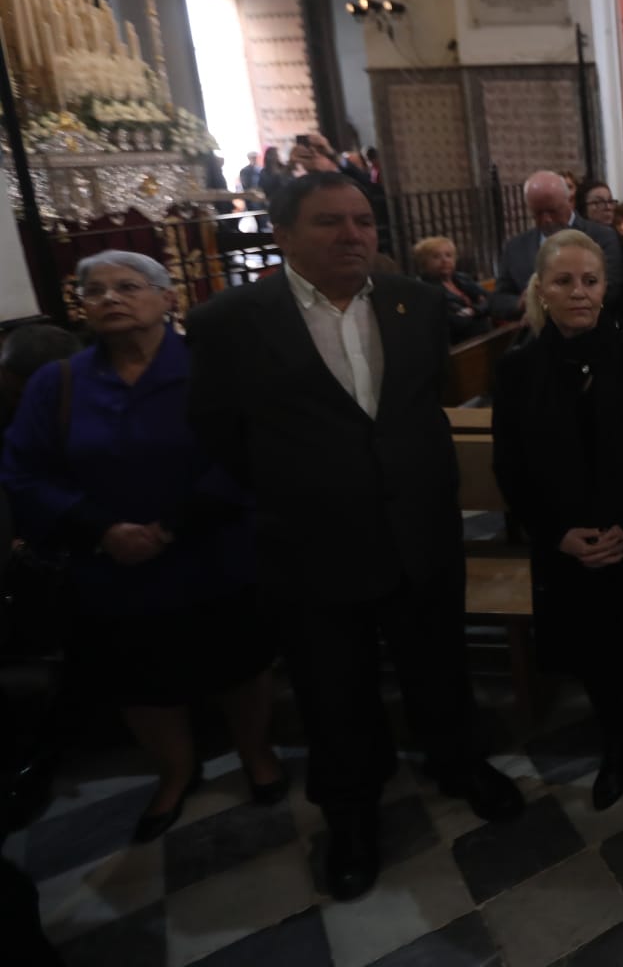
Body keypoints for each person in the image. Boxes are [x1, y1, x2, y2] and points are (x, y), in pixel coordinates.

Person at [186, 174, 523, 901]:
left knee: (438, 663)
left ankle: (459, 763)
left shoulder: (418, 303)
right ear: (282, 233)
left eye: (364, 221)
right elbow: (217, 432)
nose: (352, 236)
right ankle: (352, 816)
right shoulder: (230, 321)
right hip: (311, 544)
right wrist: (308, 487)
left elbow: (419, 404)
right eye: (329, 222)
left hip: (418, 530)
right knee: (333, 691)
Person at [1, 252, 282, 844]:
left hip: (210, 551)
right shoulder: (60, 382)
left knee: (238, 662)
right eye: (93, 290)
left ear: (168, 298)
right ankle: (176, 772)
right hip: (112, 566)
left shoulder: (211, 370)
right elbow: (23, 470)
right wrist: (101, 529)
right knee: (138, 675)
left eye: (128, 287)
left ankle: (257, 755)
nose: (109, 299)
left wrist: (170, 527)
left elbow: (248, 449)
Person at [491, 231, 623, 810]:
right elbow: (511, 467)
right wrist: (559, 534)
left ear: (606, 286)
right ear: (542, 290)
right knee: (594, 653)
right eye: (564, 281)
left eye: (589, 280)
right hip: (569, 546)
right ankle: (615, 740)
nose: (579, 293)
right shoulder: (518, 370)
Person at [492, 170, 623, 316]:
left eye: (552, 211)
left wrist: (550, 301)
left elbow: (611, 290)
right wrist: (521, 303)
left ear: (569, 201)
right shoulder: (515, 248)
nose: (547, 219)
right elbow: (497, 300)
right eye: (538, 213)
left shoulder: (601, 237)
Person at [412, 236, 491, 343]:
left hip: (484, 336)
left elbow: (492, 300)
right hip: (458, 345)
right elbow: (458, 323)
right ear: (424, 262)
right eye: (436, 257)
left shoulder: (462, 278)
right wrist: (481, 308)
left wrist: (474, 311)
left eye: (448, 255)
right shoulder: (425, 289)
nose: (444, 260)